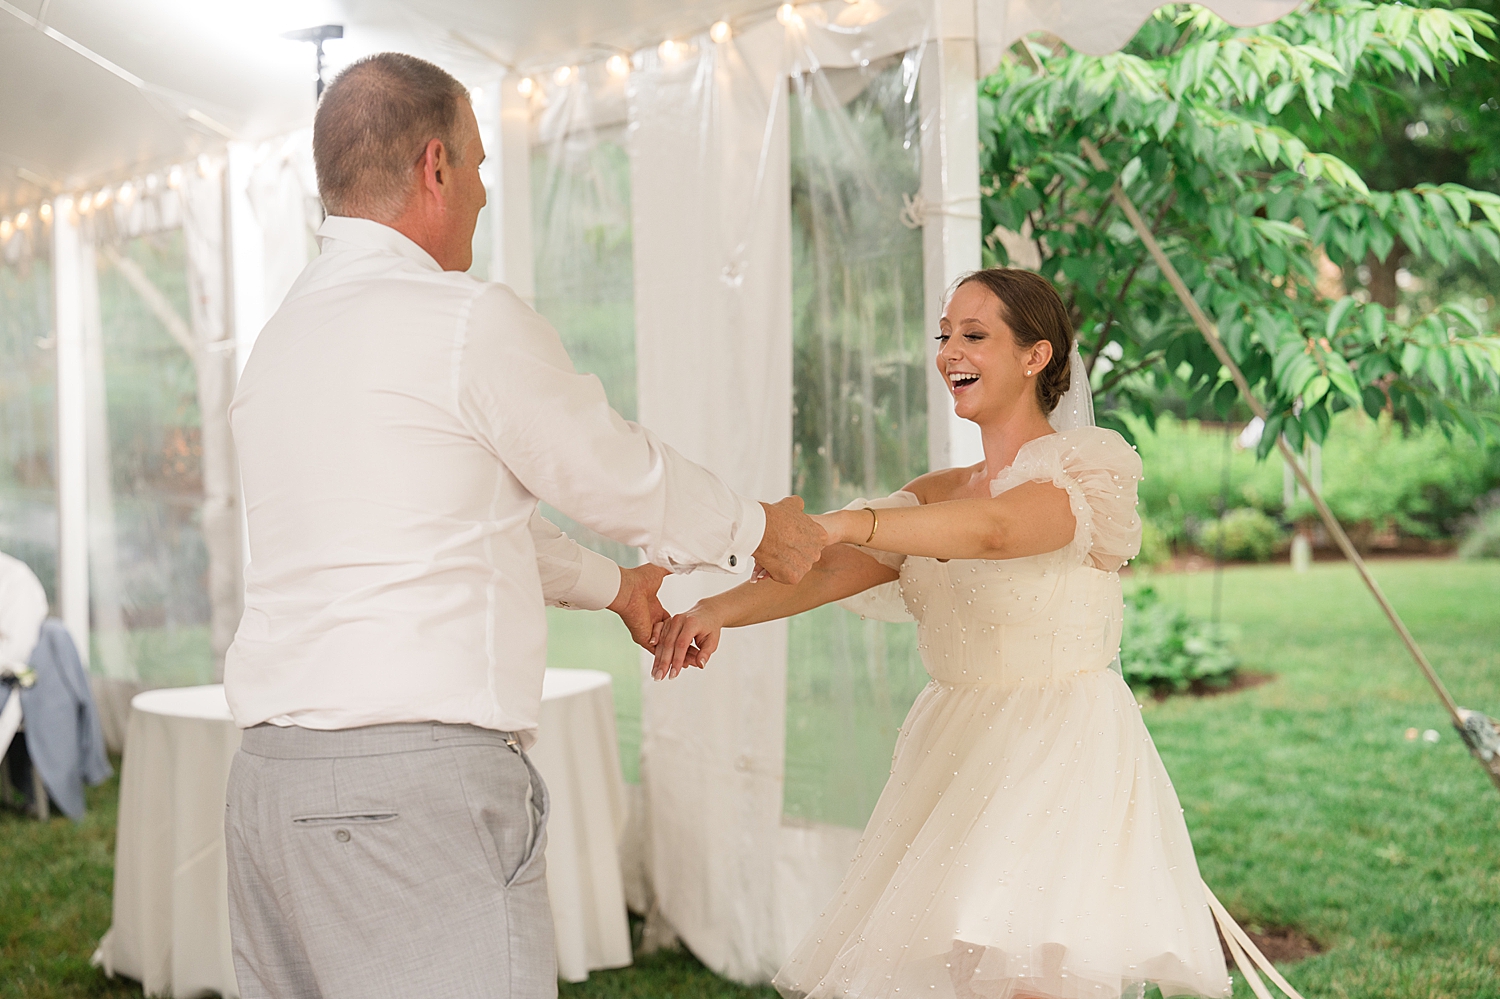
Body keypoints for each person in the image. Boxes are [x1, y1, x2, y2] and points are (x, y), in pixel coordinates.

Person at [223, 52, 827, 999]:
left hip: (270, 783)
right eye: (477, 164)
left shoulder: (280, 341)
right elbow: (609, 469)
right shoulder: (458, 320)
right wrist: (756, 528)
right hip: (407, 795)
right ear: (434, 166)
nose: (485, 193)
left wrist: (621, 588)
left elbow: (455, 517)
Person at [653, 268, 1233, 999]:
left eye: (974, 334)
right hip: (955, 747)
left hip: (1058, 746)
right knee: (962, 972)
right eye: (944, 334)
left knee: (1033, 973)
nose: (949, 350)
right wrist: (714, 612)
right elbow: (830, 572)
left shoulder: (1088, 470)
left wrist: (845, 518)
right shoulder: (934, 494)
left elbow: (994, 533)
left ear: (1036, 356)